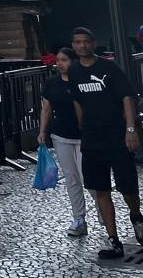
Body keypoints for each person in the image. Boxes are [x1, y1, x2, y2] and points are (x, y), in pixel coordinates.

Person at [68, 26, 143, 260]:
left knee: (128, 188)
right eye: (77, 42)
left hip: (116, 135)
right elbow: (77, 101)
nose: (82, 46)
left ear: (92, 44)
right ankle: (114, 240)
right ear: (73, 45)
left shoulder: (108, 68)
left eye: (86, 42)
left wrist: (130, 128)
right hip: (92, 138)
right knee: (100, 189)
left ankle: (135, 214)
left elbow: (127, 97)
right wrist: (81, 127)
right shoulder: (74, 71)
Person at [38, 47, 88, 237]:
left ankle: (103, 215)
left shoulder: (82, 81)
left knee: (88, 177)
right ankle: (79, 218)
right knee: (71, 178)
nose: (59, 64)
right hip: (61, 135)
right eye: (58, 60)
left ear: (73, 61)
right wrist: (42, 131)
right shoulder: (51, 83)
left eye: (64, 60)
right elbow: (46, 109)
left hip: (84, 135)